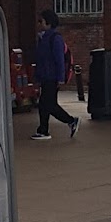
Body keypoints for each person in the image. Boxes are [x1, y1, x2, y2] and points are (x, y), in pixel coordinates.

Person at [32, 9, 78, 141]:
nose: (39, 24)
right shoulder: (43, 38)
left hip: (51, 77)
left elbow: (59, 59)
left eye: (41, 21)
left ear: (48, 22)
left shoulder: (55, 39)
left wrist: (61, 77)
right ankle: (43, 129)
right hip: (46, 76)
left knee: (49, 104)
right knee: (44, 104)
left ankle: (70, 120)